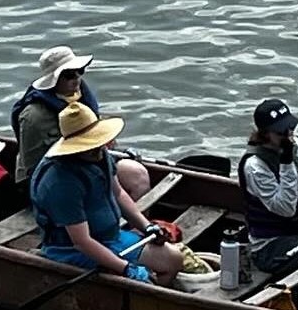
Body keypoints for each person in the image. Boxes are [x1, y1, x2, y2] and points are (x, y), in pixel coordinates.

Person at [30, 101, 183, 286]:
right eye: (90, 146)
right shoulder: (60, 183)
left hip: (111, 238)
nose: (99, 149)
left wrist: (146, 226)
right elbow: (81, 241)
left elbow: (118, 194)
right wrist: (125, 268)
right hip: (71, 249)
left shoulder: (101, 157)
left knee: (174, 259)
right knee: (142, 283)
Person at [11, 45, 149, 199]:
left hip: (89, 160)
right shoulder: (33, 117)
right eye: (69, 75)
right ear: (54, 80)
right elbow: (34, 168)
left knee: (138, 177)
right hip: (53, 175)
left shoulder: (81, 95)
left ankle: (134, 221)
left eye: (80, 71)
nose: (76, 78)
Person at [237, 98, 298, 278]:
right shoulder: (255, 166)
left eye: (291, 128)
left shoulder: (297, 146)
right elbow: (286, 209)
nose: (289, 135)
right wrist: (287, 164)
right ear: (266, 134)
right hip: (270, 243)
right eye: (281, 132)